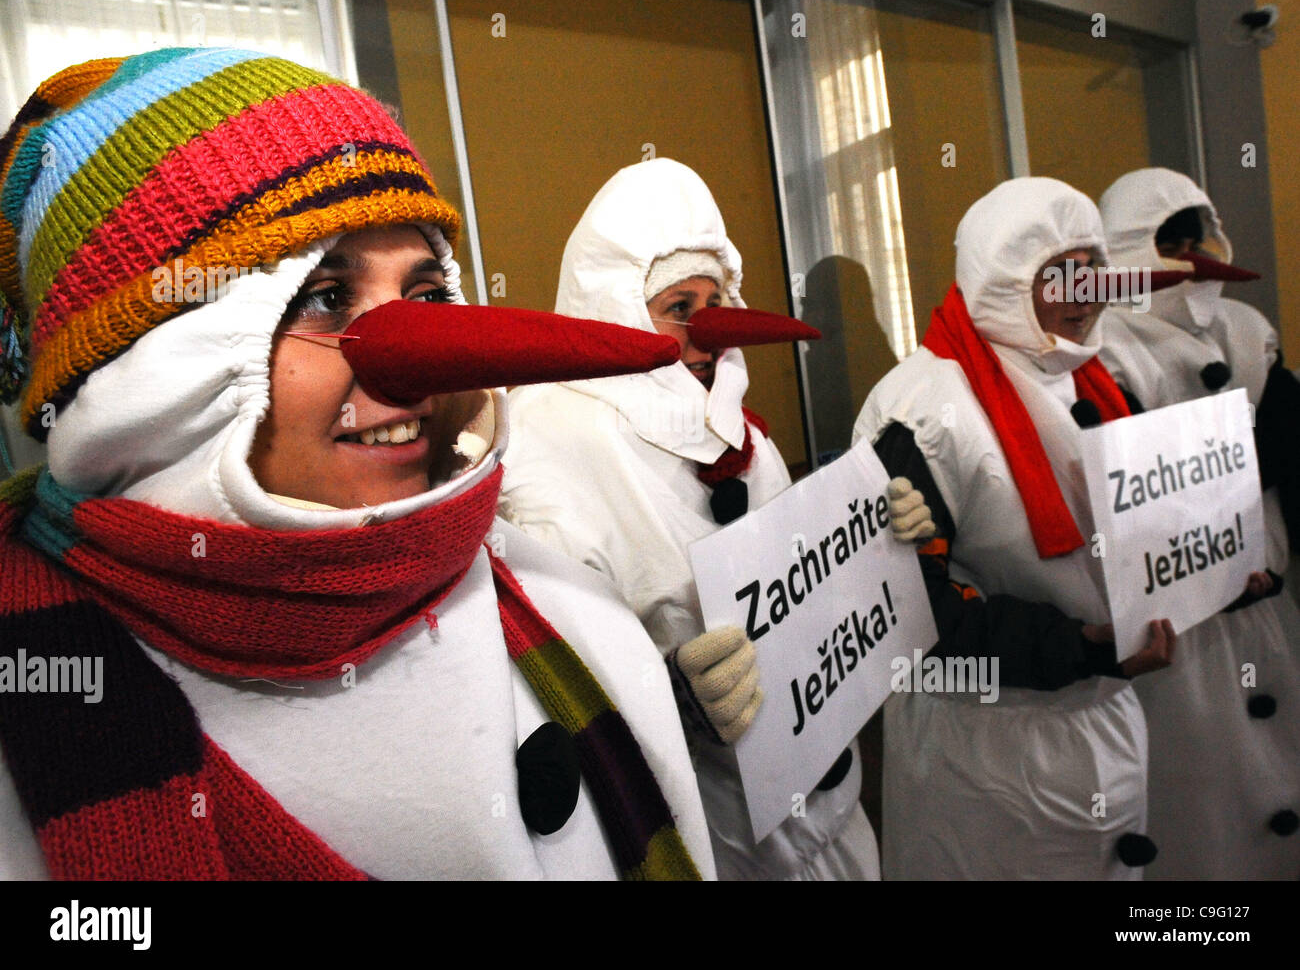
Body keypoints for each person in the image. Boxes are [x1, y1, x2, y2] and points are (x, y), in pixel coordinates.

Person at [0, 48, 715, 880]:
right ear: (150, 375)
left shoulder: (572, 608)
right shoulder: (38, 710)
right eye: (326, 295)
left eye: (423, 296)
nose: (416, 360)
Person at [498, 158, 882, 879]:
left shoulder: (745, 435)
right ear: (616, 306)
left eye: (717, 301)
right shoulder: (549, 449)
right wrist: (670, 698)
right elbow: (545, 695)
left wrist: (885, 538)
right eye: (681, 307)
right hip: (706, 836)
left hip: (835, 817)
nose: (708, 334)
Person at [852, 176, 1179, 880]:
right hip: (988, 751)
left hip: (1104, 718)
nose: (1086, 292)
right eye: (1060, 275)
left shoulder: (1095, 378)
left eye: (1093, 268)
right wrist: (1080, 646)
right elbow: (914, 624)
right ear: (1004, 280)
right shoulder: (924, 410)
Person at [1097, 166, 1300, 878]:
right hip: (1180, 630)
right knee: (1201, 806)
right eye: (1166, 237)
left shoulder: (1248, 329)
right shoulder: (1104, 348)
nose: (1186, 254)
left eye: (1195, 234)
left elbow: (1290, 446)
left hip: (1267, 603)